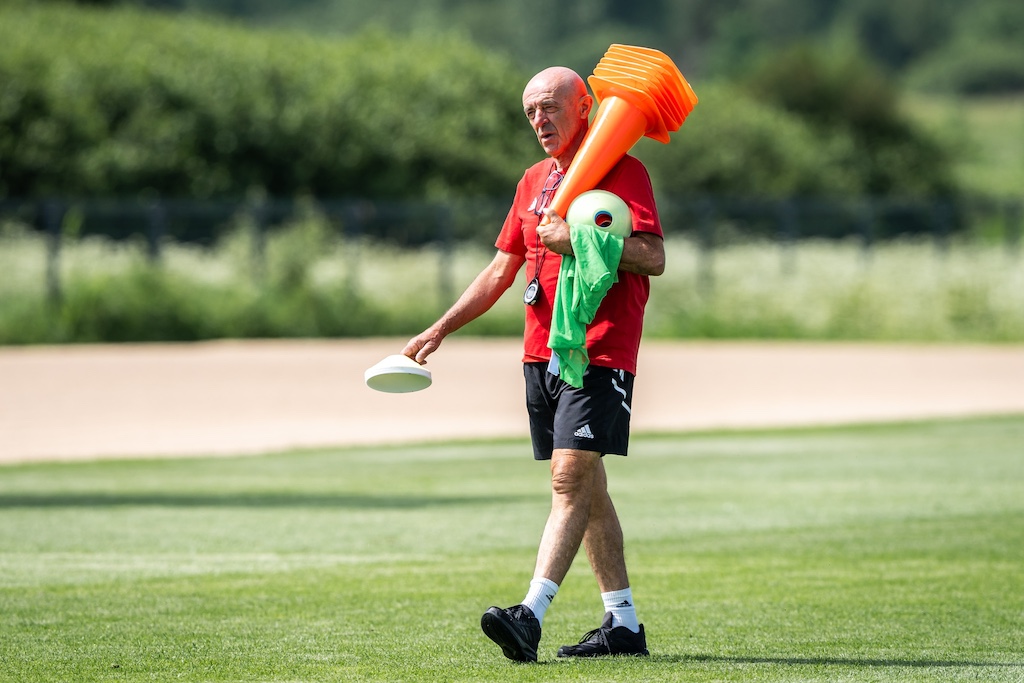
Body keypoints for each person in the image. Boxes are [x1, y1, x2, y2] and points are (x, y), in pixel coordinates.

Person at [402, 66, 665, 662]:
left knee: (570, 479)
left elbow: (652, 256)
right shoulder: (533, 182)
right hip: (540, 352)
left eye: (549, 107)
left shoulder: (625, 171)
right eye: (530, 113)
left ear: (585, 106)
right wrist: (440, 327)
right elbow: (502, 269)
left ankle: (531, 613)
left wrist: (577, 240)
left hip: (598, 350)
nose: (539, 121)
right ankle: (623, 626)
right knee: (588, 489)